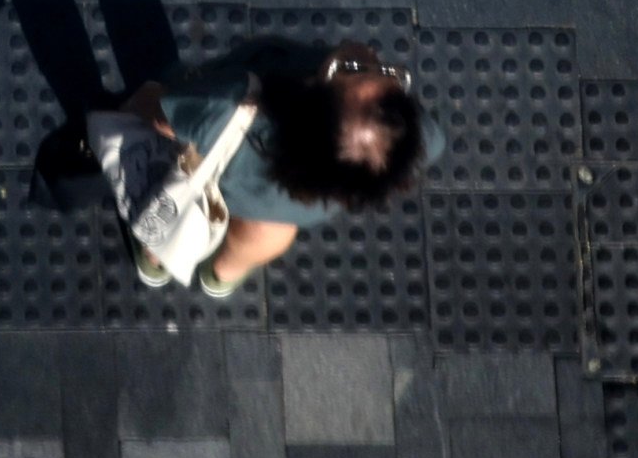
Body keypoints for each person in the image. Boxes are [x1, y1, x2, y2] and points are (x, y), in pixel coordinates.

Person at [114, 37, 432, 298]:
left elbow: (159, 117)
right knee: (270, 234)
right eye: (391, 74)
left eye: (349, 68)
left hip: (220, 169)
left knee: (170, 213)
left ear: (304, 106)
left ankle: (157, 260)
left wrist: (139, 101)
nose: (371, 54)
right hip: (286, 208)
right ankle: (221, 277)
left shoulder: (229, 105)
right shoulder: (412, 138)